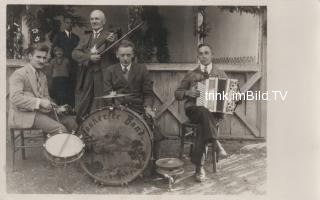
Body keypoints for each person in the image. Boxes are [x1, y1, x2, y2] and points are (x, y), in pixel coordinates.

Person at [103, 39, 164, 167]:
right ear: (117, 55)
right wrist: (113, 101)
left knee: (154, 133)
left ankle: (152, 165)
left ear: (133, 55)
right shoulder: (110, 70)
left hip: (138, 109)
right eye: (122, 55)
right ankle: (118, 164)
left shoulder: (141, 69)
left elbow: (148, 93)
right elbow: (107, 94)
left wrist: (148, 107)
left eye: (128, 55)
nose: (125, 58)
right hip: (118, 110)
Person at [175, 43, 228, 182]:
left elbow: (231, 95)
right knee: (203, 112)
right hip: (194, 109)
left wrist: (230, 98)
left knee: (202, 125)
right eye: (201, 53)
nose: (204, 56)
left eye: (206, 53)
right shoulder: (191, 74)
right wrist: (188, 92)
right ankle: (216, 143)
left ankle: (199, 167)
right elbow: (177, 93)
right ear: (198, 56)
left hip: (213, 112)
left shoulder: (221, 74)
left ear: (212, 55)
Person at [8, 43, 67, 135]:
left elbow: (46, 97)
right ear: (30, 56)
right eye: (38, 57)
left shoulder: (42, 76)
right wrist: (40, 102)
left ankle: (50, 147)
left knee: (71, 124)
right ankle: (54, 148)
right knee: (60, 129)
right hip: (23, 115)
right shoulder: (19, 74)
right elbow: (15, 98)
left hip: (39, 112)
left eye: (44, 58)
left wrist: (55, 107)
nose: (42, 61)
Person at [72, 10, 117, 124]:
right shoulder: (86, 37)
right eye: (92, 19)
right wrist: (89, 57)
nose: (94, 21)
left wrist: (112, 43)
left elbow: (116, 52)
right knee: (84, 101)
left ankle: (104, 126)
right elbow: (75, 53)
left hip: (103, 74)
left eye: (97, 19)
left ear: (103, 21)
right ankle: (81, 126)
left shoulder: (110, 36)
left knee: (103, 101)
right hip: (87, 74)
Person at [52, 16, 80, 108]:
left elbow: (79, 51)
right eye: (67, 22)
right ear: (64, 24)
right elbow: (54, 50)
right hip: (62, 67)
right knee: (61, 89)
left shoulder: (76, 37)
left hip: (73, 66)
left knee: (71, 88)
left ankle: (71, 108)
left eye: (71, 22)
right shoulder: (58, 36)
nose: (69, 24)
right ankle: (61, 109)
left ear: (73, 24)